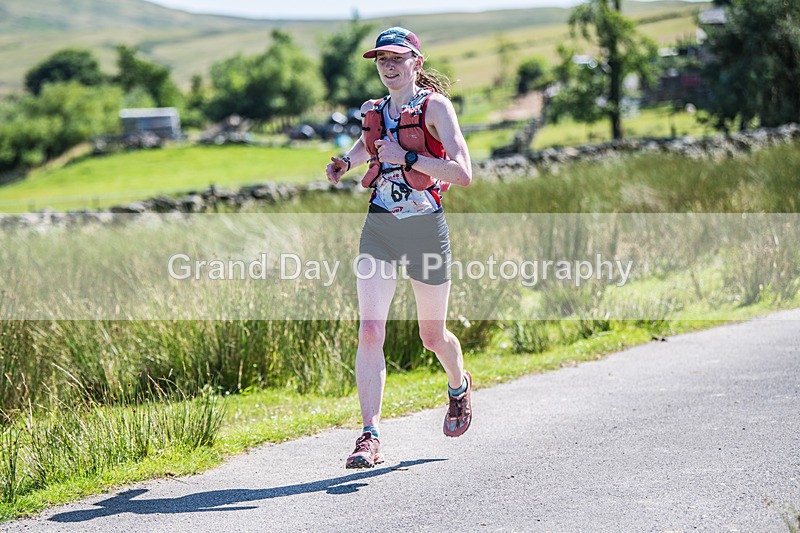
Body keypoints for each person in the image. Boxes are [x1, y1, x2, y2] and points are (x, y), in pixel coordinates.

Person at [325, 27, 473, 469]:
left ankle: (458, 383)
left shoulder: (435, 107)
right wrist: (345, 163)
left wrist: (405, 158)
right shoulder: (374, 110)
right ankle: (369, 434)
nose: (388, 66)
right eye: (381, 60)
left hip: (426, 229)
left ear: (416, 63)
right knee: (370, 330)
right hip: (381, 227)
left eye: (396, 58)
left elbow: (462, 172)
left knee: (431, 336)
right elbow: (368, 145)